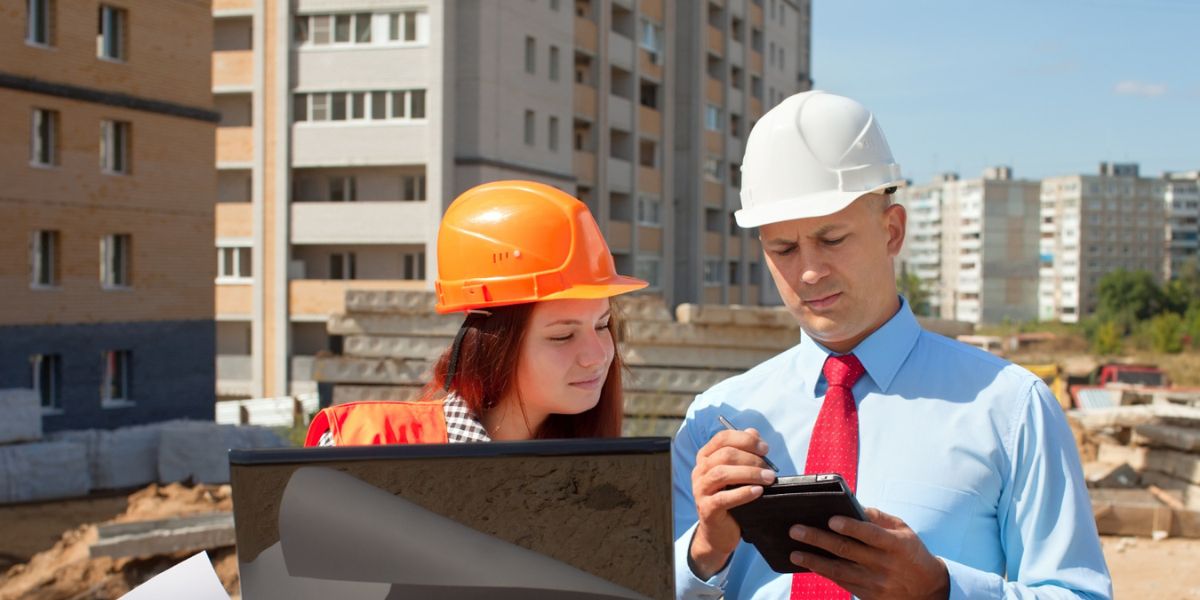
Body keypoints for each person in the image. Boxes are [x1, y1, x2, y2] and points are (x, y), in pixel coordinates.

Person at [673, 91, 1111, 599]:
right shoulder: (714, 422)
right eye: (784, 249)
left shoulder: (1009, 409)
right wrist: (704, 552)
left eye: (832, 239)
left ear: (893, 229)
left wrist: (940, 590)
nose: (810, 270)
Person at [304, 180, 647, 446]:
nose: (598, 355)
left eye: (603, 326)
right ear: (493, 344)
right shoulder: (364, 448)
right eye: (563, 335)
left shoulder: (602, 481)